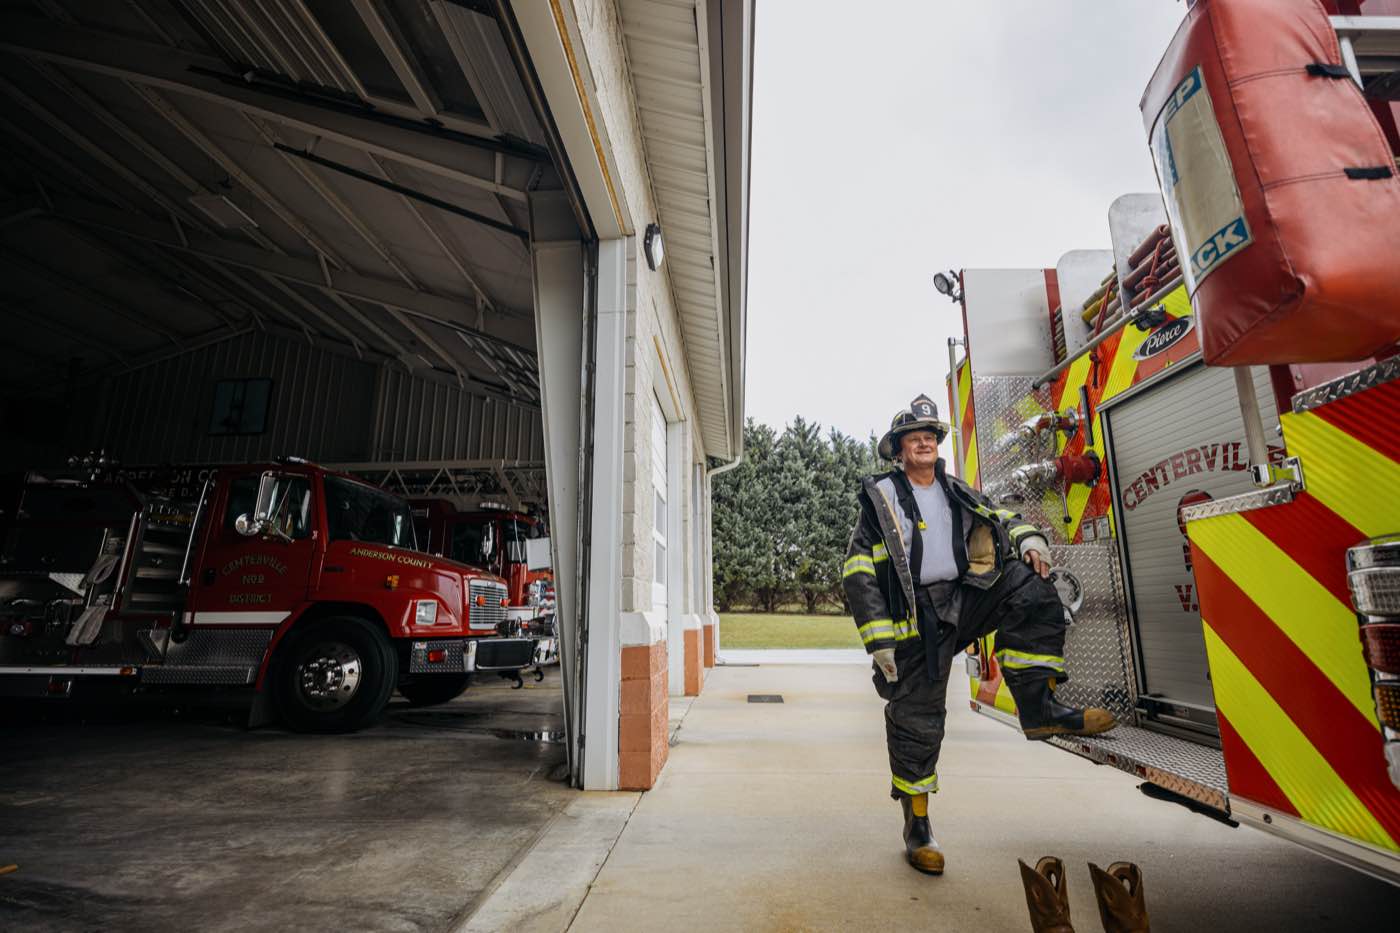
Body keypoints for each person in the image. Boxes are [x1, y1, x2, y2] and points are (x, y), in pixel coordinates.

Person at [842, 394, 1117, 875]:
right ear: (898, 449)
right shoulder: (880, 500)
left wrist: (1028, 537)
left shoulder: (956, 490)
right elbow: (858, 570)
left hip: (966, 597)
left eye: (931, 434)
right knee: (916, 718)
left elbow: (999, 517)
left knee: (1032, 587)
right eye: (914, 436)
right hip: (916, 619)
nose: (924, 440)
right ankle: (918, 825)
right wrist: (879, 640)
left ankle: (1040, 707)